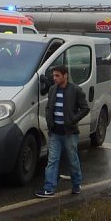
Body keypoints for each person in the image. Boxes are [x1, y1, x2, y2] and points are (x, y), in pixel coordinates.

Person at [35, 65, 89, 198]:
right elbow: (49, 107)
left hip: (70, 133)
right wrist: (50, 121)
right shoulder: (53, 89)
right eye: (53, 76)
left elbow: (85, 108)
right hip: (55, 132)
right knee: (52, 160)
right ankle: (49, 188)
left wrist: (72, 120)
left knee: (72, 160)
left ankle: (76, 185)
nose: (54, 78)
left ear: (65, 76)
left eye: (57, 75)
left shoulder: (76, 90)